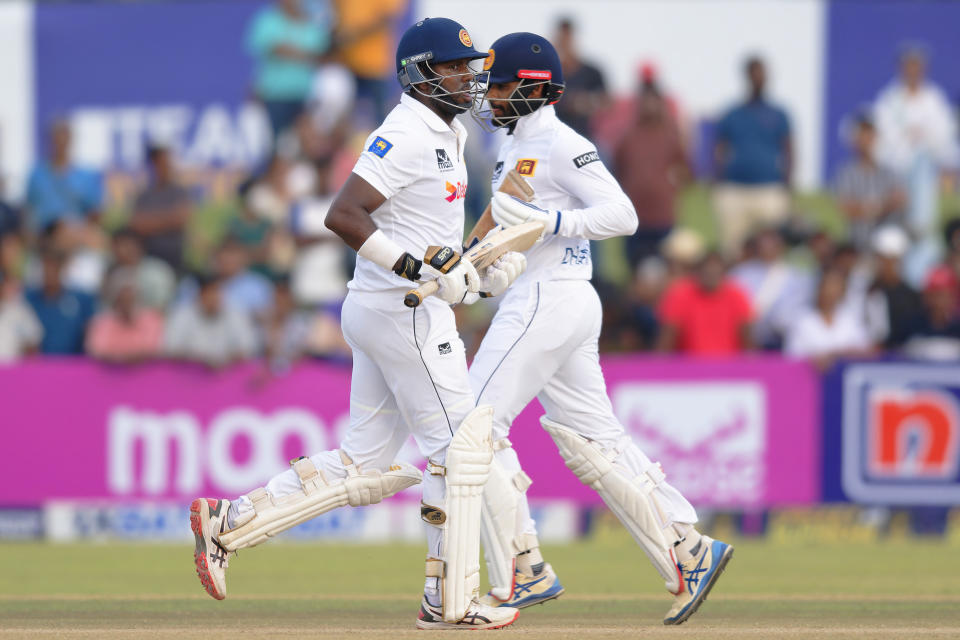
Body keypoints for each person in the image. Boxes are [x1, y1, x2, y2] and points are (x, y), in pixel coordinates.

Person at [188, 18, 523, 631]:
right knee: (459, 454)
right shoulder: (407, 129)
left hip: (394, 307)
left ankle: (230, 522)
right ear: (421, 72)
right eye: (454, 67)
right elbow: (342, 214)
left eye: (469, 68)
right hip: (406, 311)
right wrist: (414, 268)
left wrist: (479, 268)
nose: (467, 79)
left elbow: (435, 240)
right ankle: (449, 603)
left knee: (363, 465)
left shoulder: (444, 131)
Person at [470, 32, 732, 625]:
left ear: (533, 87)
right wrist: (470, 258)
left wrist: (551, 222)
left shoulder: (564, 143)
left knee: (472, 427)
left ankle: (521, 568)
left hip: (551, 297)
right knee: (595, 441)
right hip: (546, 299)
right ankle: (688, 549)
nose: (492, 97)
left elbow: (623, 215)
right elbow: (504, 223)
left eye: (502, 85)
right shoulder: (511, 147)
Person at [874, 45, 960, 287]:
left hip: (926, 179)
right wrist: (907, 139)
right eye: (908, 66)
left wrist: (924, 139)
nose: (912, 71)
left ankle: (922, 279)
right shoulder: (890, 100)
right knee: (900, 232)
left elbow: (945, 139)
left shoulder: (934, 99)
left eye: (917, 66)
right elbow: (883, 140)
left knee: (924, 231)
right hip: (898, 177)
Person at [713, 56, 792, 258]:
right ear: (747, 76)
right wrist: (718, 180)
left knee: (772, 248)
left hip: (769, 188)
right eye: (755, 73)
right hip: (735, 189)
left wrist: (787, 184)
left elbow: (788, 150)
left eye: (762, 74)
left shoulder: (778, 114)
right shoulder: (733, 113)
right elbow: (720, 149)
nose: (759, 78)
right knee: (733, 250)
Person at [613, 79, 691, 270]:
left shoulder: (670, 135)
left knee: (667, 264)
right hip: (635, 214)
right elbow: (618, 169)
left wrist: (670, 187)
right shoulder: (628, 136)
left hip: (663, 214)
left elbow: (686, 171)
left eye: (653, 101)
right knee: (635, 265)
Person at [246, 0, 333, 139]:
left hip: (306, 97)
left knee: (304, 144)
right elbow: (272, 47)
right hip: (274, 95)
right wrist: (304, 54)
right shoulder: (267, 20)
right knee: (275, 144)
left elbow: (321, 54)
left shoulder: (312, 22)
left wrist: (289, 51)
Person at [833, 113, 907, 252]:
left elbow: (900, 200)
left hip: (885, 248)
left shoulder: (889, 172)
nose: (866, 142)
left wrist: (869, 208)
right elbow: (845, 207)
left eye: (869, 136)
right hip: (857, 242)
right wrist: (878, 206)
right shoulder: (846, 173)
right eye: (862, 136)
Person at [657, 251, 753, 355]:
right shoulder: (680, 295)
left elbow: (747, 336)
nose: (711, 277)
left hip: (729, 365)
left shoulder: (736, 295)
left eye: (716, 273)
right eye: (707, 273)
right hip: (688, 365)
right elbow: (667, 337)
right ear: (698, 272)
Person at [25, 119, 104, 237]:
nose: (61, 142)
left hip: (78, 235)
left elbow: (95, 212)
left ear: (71, 139)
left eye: (64, 137)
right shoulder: (37, 175)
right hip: (45, 236)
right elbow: (29, 209)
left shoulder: (86, 176)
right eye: (57, 137)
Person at [784, 267, 874, 369]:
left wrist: (839, 355)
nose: (831, 292)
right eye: (827, 286)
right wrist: (815, 360)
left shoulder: (851, 319)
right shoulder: (803, 320)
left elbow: (867, 351)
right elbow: (792, 356)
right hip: (810, 380)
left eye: (836, 286)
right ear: (819, 288)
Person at [164, 273, 258, 368]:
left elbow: (247, 348)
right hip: (191, 372)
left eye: (216, 292)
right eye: (209, 293)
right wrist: (201, 359)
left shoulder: (235, 313)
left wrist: (225, 359)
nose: (214, 298)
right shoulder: (183, 314)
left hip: (227, 372)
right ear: (199, 295)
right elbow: (171, 349)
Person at [129, 144, 194, 274]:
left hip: (176, 260)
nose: (166, 167)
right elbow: (138, 225)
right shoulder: (144, 196)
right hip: (149, 259)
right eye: (161, 163)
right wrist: (170, 218)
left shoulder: (179, 192)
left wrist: (152, 221)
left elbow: (182, 218)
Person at [24, 249, 96, 355]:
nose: (49, 273)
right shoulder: (29, 299)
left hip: (73, 364)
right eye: (46, 268)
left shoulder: (81, 299)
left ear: (62, 270)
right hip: (39, 365)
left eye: (54, 268)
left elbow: (90, 331)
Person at [86, 270, 165, 365]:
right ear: (116, 299)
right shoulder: (102, 322)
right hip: (110, 374)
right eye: (123, 298)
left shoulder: (152, 319)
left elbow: (153, 348)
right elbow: (98, 349)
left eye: (131, 297)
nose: (127, 302)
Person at [550, 17, 609, 138]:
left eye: (567, 38)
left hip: (586, 135)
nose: (565, 43)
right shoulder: (547, 75)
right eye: (561, 38)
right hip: (553, 136)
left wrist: (585, 102)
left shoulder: (591, 72)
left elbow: (607, 102)